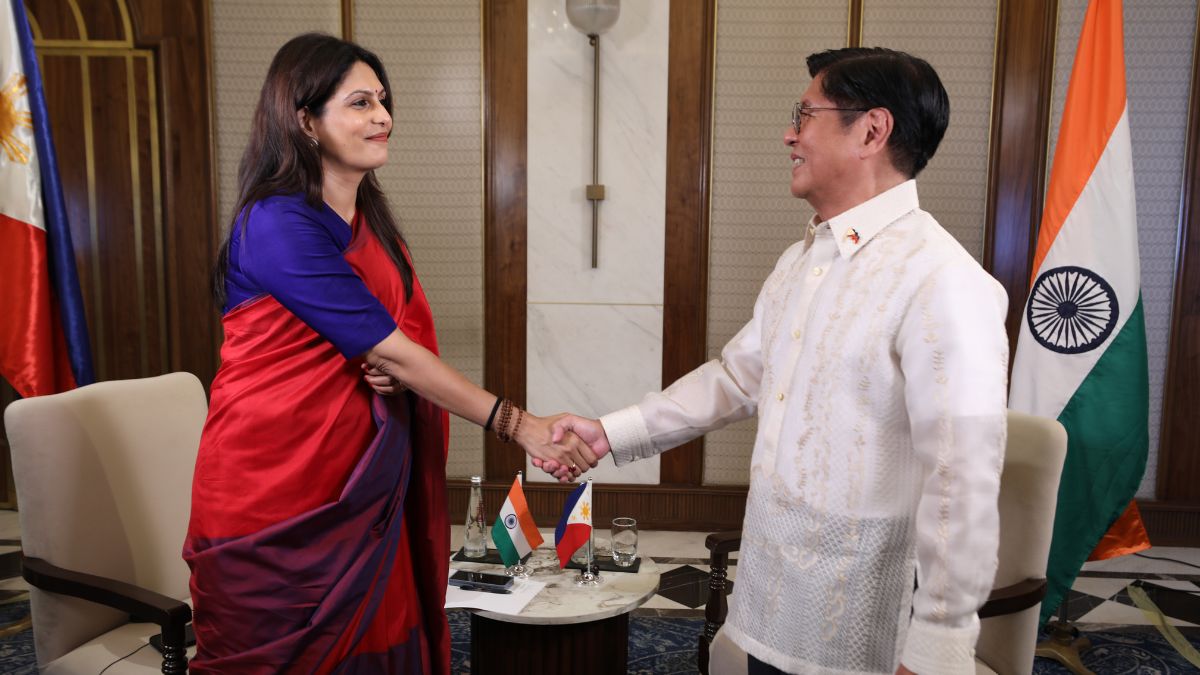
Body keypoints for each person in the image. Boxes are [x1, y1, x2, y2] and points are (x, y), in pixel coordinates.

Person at [547, 48, 1008, 675]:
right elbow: (737, 378)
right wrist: (610, 433)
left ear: (872, 130)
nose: (789, 133)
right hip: (771, 601)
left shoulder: (942, 281)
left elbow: (962, 481)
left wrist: (937, 648)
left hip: (863, 634)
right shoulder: (803, 261)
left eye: (806, 114)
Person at [183, 33, 596, 674]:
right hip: (278, 483)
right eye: (358, 102)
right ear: (304, 121)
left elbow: (392, 348)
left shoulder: (371, 225)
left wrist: (392, 372)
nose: (382, 116)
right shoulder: (274, 223)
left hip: (365, 480)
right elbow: (394, 349)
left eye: (382, 99)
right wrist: (522, 425)